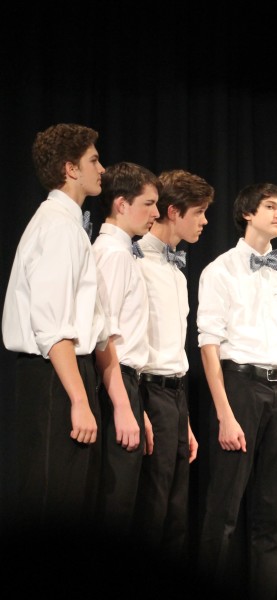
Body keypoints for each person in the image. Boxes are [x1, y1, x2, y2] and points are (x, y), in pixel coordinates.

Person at [196, 182, 277, 600]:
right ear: (247, 212)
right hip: (240, 386)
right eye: (270, 206)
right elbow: (209, 342)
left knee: (271, 512)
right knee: (223, 509)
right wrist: (224, 413)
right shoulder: (220, 269)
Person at [2, 123, 108, 534]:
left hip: (64, 373)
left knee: (72, 497)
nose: (102, 168)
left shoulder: (67, 224)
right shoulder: (59, 227)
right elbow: (51, 326)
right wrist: (78, 400)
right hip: (54, 376)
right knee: (55, 499)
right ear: (70, 168)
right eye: (94, 160)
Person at [132, 169, 213, 563]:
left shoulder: (176, 270)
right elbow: (126, 345)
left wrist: (186, 423)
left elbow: (173, 350)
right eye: (198, 212)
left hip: (176, 396)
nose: (204, 221)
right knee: (153, 507)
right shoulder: (136, 263)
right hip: (148, 392)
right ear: (173, 211)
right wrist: (141, 409)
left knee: (177, 514)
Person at [92, 162, 161, 535]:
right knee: (115, 501)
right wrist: (121, 405)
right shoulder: (113, 254)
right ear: (121, 203)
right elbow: (105, 337)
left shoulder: (123, 252)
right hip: (114, 384)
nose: (155, 213)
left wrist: (137, 407)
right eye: (148, 203)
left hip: (126, 384)